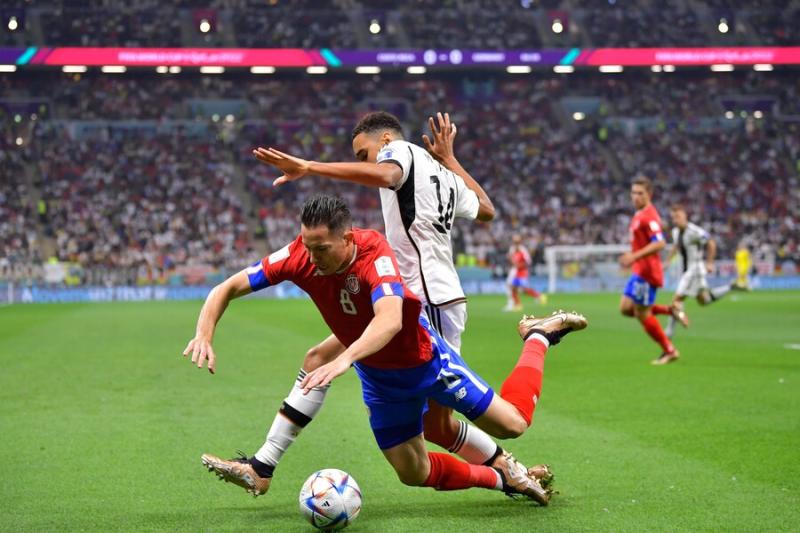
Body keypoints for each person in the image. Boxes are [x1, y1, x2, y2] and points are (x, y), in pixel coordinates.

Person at [186, 196, 587, 505]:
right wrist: (204, 333)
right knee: (413, 472)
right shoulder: (299, 255)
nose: (310, 257)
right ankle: (506, 478)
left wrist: (344, 359)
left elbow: (390, 319)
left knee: (513, 424)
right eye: (307, 246)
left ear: (347, 238)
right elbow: (227, 287)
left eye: (321, 248)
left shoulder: (373, 254)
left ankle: (537, 336)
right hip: (379, 377)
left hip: (425, 362)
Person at [251, 112, 537, 492]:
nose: (367, 162)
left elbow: (386, 175)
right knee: (320, 357)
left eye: (364, 153)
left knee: (451, 425)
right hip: (425, 295)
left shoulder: (399, 151)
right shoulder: (440, 174)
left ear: (385, 139)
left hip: (422, 300)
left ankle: (536, 344)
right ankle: (263, 462)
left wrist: (310, 167)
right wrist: (450, 161)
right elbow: (487, 210)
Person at [618, 175, 681, 365]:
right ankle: (669, 310)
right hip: (639, 270)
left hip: (647, 273)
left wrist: (634, 257)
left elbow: (660, 242)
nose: (636, 197)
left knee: (641, 313)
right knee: (626, 309)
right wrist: (632, 256)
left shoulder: (650, 216)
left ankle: (669, 350)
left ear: (649, 194)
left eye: (640, 193)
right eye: (633, 193)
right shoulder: (638, 215)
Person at [664, 205, 733, 338]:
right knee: (703, 300)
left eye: (677, 216)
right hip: (686, 271)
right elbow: (676, 246)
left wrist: (710, 262)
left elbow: (711, 243)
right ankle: (730, 287)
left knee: (677, 299)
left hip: (695, 269)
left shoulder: (694, 231)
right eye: (673, 218)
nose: (675, 220)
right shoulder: (675, 232)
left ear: (685, 216)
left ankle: (669, 333)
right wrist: (668, 261)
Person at [503, 234, 547, 311]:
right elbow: (511, 260)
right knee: (513, 287)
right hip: (516, 272)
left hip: (522, 272)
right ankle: (518, 304)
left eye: (517, 241)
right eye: (514, 241)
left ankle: (539, 296)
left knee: (523, 289)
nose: (515, 243)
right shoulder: (512, 249)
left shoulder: (523, 250)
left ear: (520, 242)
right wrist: (511, 262)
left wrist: (519, 265)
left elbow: (528, 262)